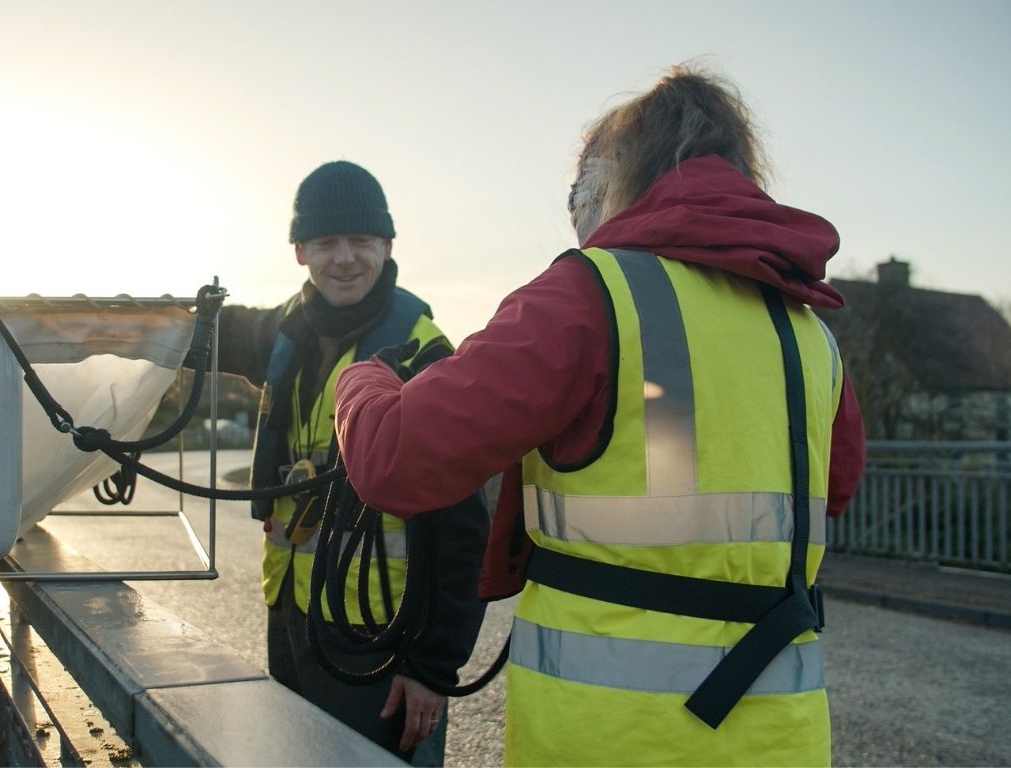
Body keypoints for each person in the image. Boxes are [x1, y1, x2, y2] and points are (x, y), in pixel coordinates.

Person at [332, 68, 867, 766]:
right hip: (781, 736)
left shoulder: (589, 294)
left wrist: (362, 376)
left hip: (613, 733)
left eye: (576, 195)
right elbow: (832, 488)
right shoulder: (808, 328)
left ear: (614, 176)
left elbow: (395, 459)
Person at [214, 160, 488, 765]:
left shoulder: (423, 355)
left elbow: (464, 529)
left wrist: (431, 667)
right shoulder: (289, 333)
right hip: (293, 616)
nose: (344, 258)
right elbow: (208, 332)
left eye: (361, 240)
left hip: (379, 640)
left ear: (387, 246)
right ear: (300, 252)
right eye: (325, 242)